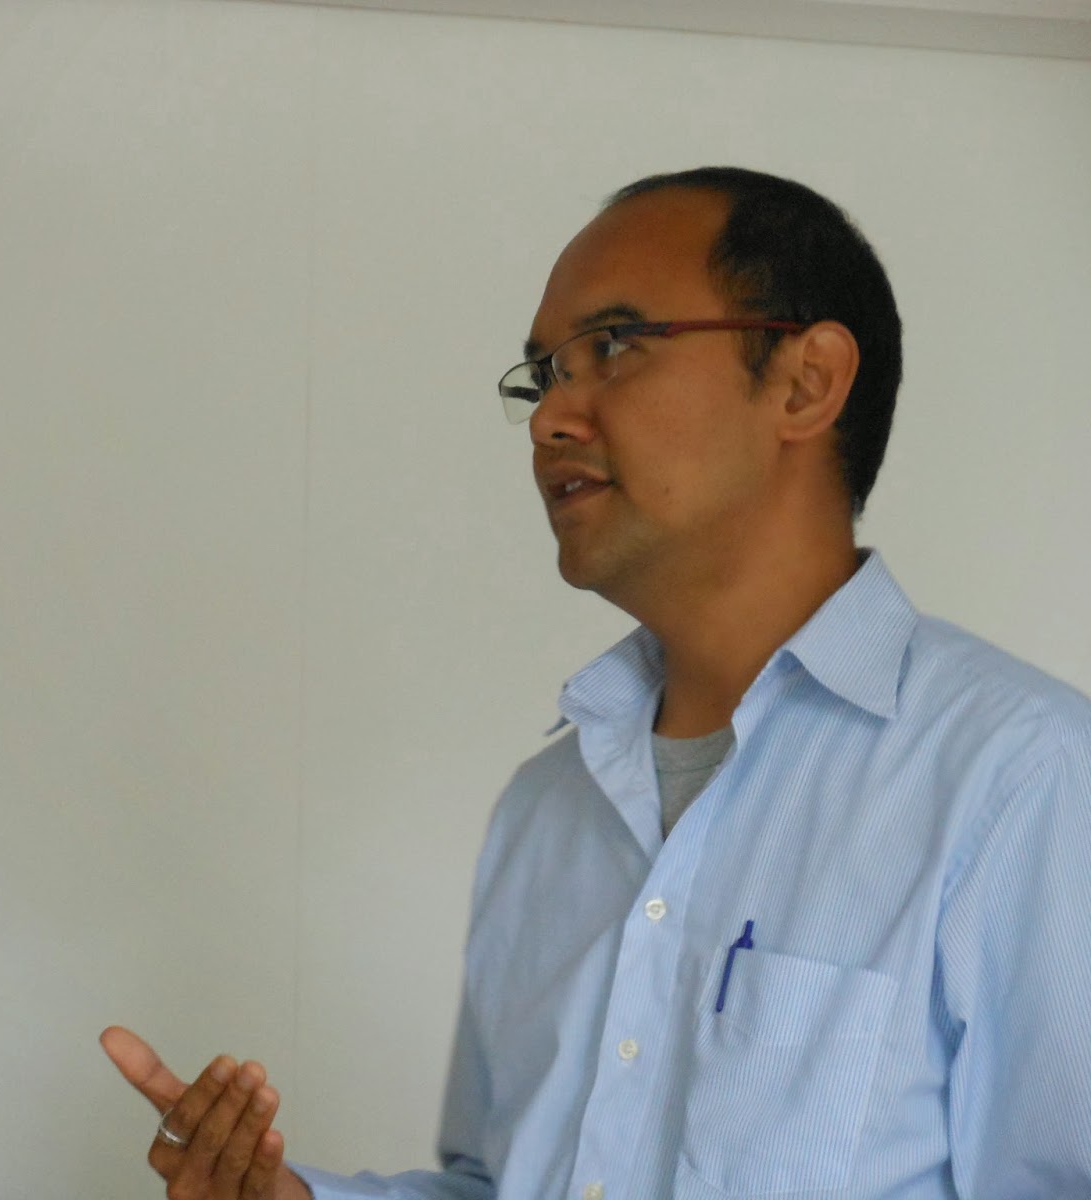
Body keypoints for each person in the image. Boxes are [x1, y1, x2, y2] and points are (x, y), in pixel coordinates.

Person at [101, 166, 1091, 1199]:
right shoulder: (548, 810)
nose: (549, 420)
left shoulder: (1022, 780)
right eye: (542, 376)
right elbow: (507, 1183)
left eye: (613, 346)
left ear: (805, 382)